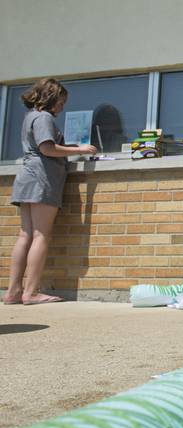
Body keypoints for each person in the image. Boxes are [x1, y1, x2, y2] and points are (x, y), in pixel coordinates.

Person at [3, 79, 97, 305]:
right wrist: (79, 149)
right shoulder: (44, 117)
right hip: (41, 178)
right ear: (51, 99)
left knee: (25, 235)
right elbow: (47, 147)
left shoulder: (30, 117)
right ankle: (31, 293)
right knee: (40, 235)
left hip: (27, 177)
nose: (62, 107)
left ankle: (13, 292)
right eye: (61, 102)